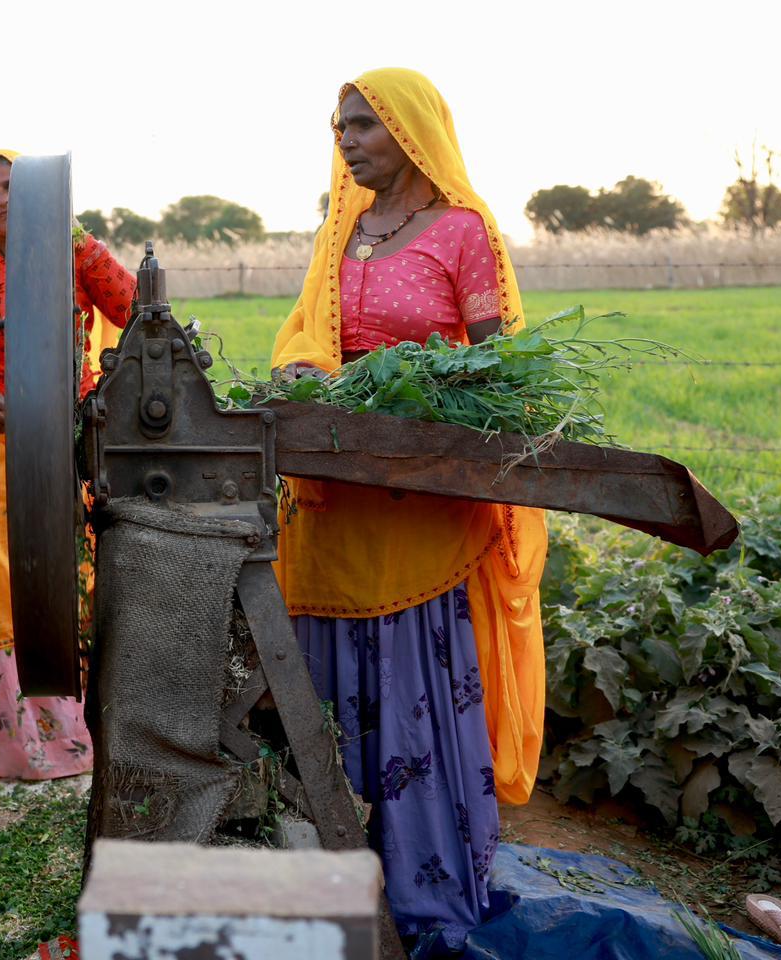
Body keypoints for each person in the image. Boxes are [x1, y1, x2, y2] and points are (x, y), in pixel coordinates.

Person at [271, 68, 548, 951]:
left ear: (411, 132)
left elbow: (498, 371)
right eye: (338, 126)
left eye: (361, 126)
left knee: (415, 699)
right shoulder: (340, 236)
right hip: (337, 506)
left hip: (422, 518)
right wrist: (307, 378)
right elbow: (304, 341)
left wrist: (417, 391)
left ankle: (427, 896)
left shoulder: (464, 234)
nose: (344, 140)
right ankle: (335, 897)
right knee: (322, 702)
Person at [0, 150, 135, 780]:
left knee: (72, 572)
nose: (2, 200)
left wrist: (79, 239)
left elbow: (129, 308)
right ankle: (7, 753)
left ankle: (78, 736)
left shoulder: (69, 252)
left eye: (14, 187)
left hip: (69, 440)